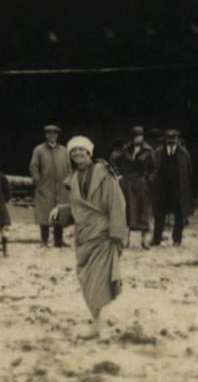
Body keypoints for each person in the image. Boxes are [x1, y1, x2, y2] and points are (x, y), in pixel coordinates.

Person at [52, 135, 127, 340]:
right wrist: (61, 210)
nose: (77, 153)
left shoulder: (105, 174)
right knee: (86, 280)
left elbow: (117, 203)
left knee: (100, 281)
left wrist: (117, 234)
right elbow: (79, 207)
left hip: (104, 235)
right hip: (84, 237)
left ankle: (101, 326)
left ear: (89, 152)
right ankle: (97, 323)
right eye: (73, 151)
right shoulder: (73, 178)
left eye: (81, 150)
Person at [151, 127, 193, 247]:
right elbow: (153, 168)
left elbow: (189, 171)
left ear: (177, 139)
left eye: (174, 138)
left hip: (177, 190)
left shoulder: (184, 154)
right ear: (165, 139)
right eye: (169, 138)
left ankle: (177, 240)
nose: (171, 140)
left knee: (179, 216)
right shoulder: (158, 153)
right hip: (162, 190)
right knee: (159, 215)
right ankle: (156, 239)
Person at [31, 124, 71, 248]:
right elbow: (33, 167)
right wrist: (38, 182)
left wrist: (68, 182)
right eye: (49, 134)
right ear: (46, 135)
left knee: (60, 212)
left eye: (54, 134)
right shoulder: (38, 150)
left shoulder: (64, 150)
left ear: (57, 136)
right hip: (45, 187)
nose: (52, 136)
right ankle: (44, 240)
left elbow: (69, 168)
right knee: (44, 213)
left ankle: (58, 240)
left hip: (61, 187)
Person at [114, 126, 154, 248]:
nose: (138, 138)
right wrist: (119, 175)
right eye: (136, 136)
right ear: (132, 137)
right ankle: (125, 239)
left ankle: (145, 240)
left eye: (140, 136)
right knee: (128, 211)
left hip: (142, 183)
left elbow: (154, 169)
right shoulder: (126, 150)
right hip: (128, 184)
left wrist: (149, 180)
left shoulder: (148, 151)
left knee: (144, 211)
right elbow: (116, 162)